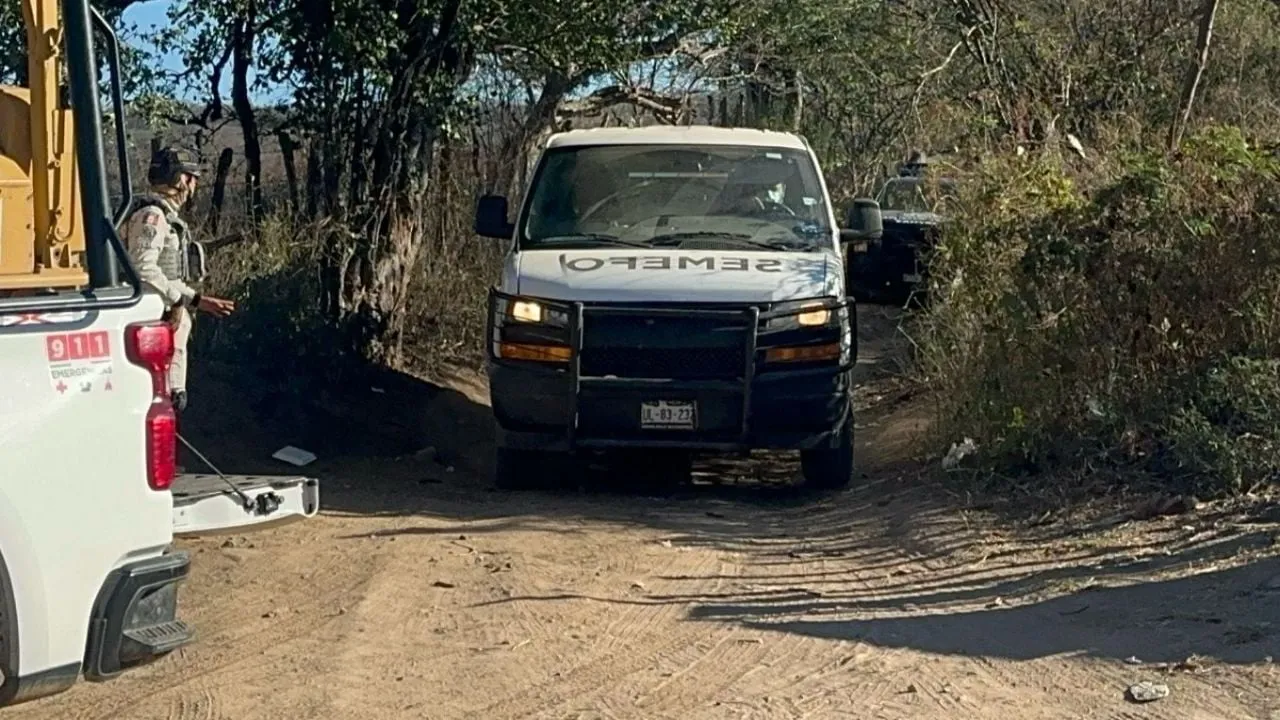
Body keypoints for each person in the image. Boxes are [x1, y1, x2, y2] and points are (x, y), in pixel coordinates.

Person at [122, 146, 236, 412]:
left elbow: (167, 275)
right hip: (153, 326)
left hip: (167, 333)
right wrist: (177, 302)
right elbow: (144, 268)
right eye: (192, 177)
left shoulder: (166, 217)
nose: (194, 184)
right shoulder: (152, 217)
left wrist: (197, 301)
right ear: (182, 179)